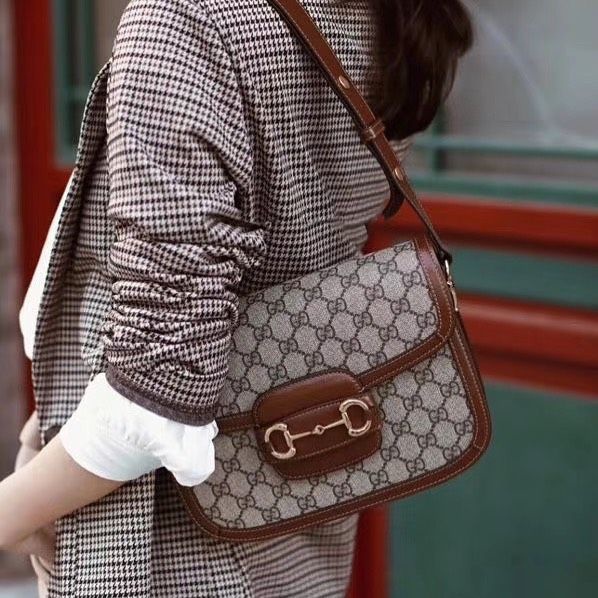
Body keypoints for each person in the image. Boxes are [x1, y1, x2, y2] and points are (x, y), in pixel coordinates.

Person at [0, 0, 473, 595]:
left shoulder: (191, 19)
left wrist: (11, 512)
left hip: (162, 548)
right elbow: (238, 281)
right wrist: (45, 429)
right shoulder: (386, 15)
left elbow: (159, 382)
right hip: (297, 506)